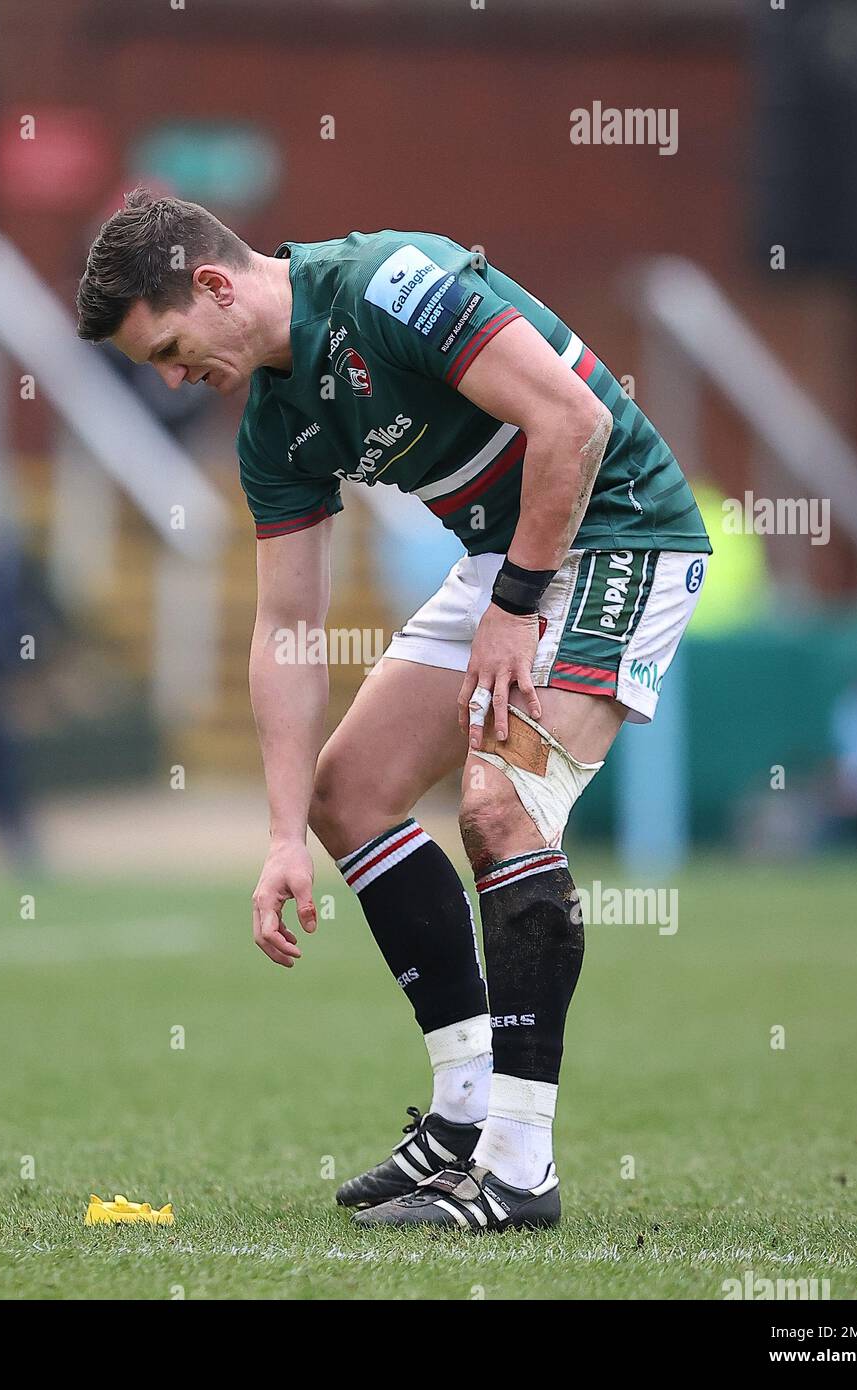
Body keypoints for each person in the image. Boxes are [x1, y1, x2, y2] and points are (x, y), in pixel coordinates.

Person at [76, 190, 711, 1232]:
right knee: (347, 795)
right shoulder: (275, 423)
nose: (176, 378)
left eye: (171, 350)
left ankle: (516, 1169)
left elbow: (574, 421)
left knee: (496, 807)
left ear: (215, 284)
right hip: (506, 559)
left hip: (618, 527)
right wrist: (281, 834)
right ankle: (462, 1109)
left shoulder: (388, 284)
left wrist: (512, 608)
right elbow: (287, 628)